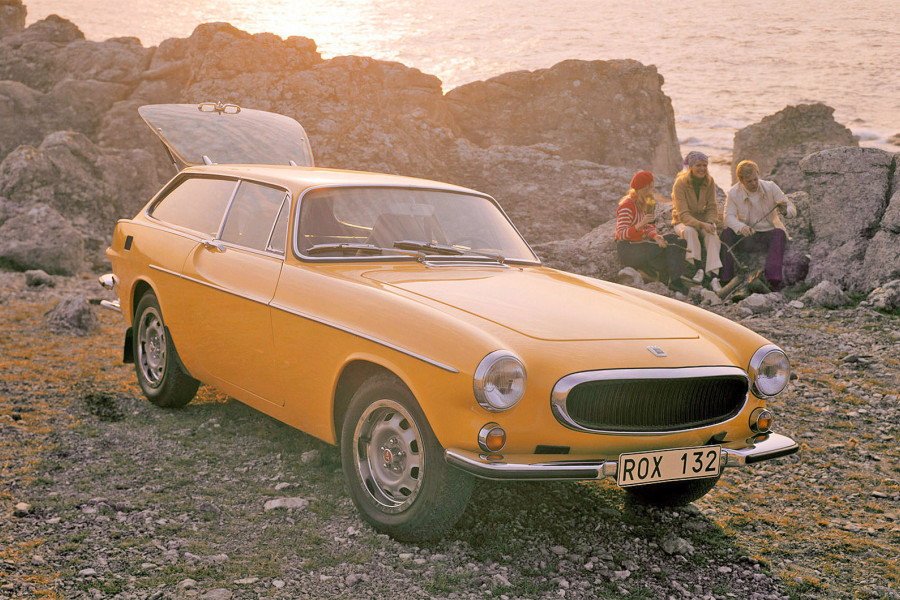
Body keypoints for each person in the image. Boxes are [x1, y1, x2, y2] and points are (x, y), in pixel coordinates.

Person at [722, 160, 797, 291]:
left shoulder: (771, 187)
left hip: (767, 236)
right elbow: (728, 217)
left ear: (758, 175)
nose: (754, 183)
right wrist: (741, 227)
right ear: (741, 180)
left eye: (755, 179)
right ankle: (725, 279)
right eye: (749, 181)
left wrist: (785, 210)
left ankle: (773, 281)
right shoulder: (733, 193)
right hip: (746, 236)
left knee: (779, 234)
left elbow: (792, 210)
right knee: (726, 233)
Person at [615, 170, 687, 293]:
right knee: (672, 242)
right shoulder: (627, 205)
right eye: (650, 187)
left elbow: (649, 226)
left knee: (678, 242)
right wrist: (640, 224)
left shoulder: (646, 203)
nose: (653, 189)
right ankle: (675, 281)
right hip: (628, 249)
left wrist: (656, 236)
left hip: (639, 245)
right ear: (643, 188)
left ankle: (664, 277)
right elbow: (621, 234)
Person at [671, 151, 723, 291]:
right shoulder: (680, 184)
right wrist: (701, 224)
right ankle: (699, 268)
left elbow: (712, 206)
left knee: (712, 236)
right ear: (690, 167)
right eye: (698, 165)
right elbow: (683, 214)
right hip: (682, 222)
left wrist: (710, 222)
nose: (702, 169)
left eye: (705, 165)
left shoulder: (709, 181)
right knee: (689, 231)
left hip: (703, 221)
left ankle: (714, 277)